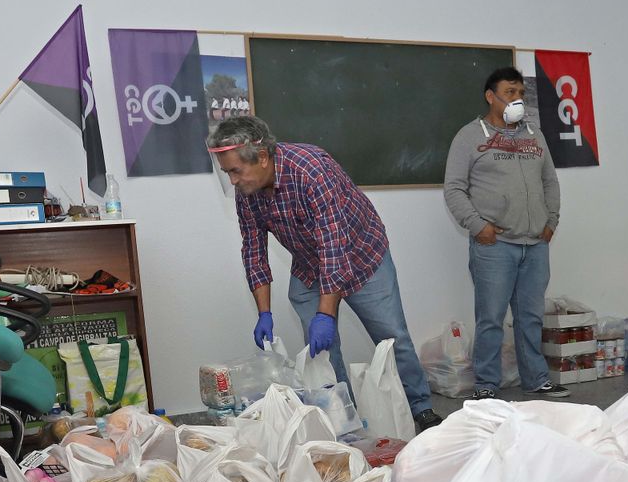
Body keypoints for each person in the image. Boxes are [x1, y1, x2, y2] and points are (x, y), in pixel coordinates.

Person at [207, 115, 442, 432]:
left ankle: (421, 407)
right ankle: (344, 419)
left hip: (362, 256)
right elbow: (253, 250)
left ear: (262, 157)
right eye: (227, 173)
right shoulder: (247, 193)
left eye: (236, 170)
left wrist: (326, 315)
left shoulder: (311, 170)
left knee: (392, 336)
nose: (233, 180)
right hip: (309, 266)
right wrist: (264, 313)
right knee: (320, 353)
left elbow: (335, 247)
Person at [443, 66, 567, 400]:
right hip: (495, 245)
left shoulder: (533, 135)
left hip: (535, 245)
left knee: (530, 317)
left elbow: (549, 181)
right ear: (491, 97)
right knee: (491, 320)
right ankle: (486, 386)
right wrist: (478, 226)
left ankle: (536, 378)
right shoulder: (470, 136)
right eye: (509, 93)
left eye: (520, 93)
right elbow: (454, 189)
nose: (517, 100)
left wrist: (550, 221)